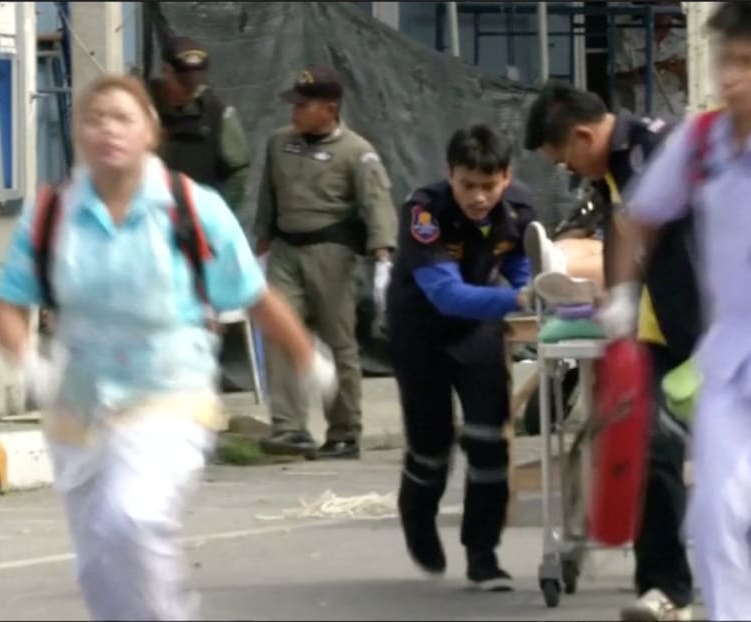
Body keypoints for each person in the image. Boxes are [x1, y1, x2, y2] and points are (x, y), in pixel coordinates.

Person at [0, 74, 336, 621]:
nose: (108, 129)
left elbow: (254, 295)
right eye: (95, 117)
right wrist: (29, 363)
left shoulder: (190, 208)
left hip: (168, 396)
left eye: (122, 117)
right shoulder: (54, 213)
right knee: (99, 561)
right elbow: (8, 306)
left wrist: (304, 357)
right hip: (77, 410)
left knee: (132, 517)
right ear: (77, 132)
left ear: (150, 131)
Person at [524, 80, 697, 621]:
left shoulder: (656, 148)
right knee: (652, 447)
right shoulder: (616, 169)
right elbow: (622, 227)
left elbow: (647, 221)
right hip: (666, 327)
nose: (570, 172)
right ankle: (666, 589)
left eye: (564, 160)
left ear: (581, 135)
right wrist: (621, 294)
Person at [603, 3, 751, 619]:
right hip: (728, 359)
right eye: (727, 62)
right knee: (714, 511)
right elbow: (638, 220)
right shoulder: (699, 141)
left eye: (748, 63)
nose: (734, 77)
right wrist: (621, 297)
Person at [386, 124, 534, 591]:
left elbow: (518, 263)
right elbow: (445, 294)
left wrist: (534, 286)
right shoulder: (424, 211)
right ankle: (417, 515)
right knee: (431, 446)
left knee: (490, 442)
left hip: (479, 333)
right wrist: (520, 301)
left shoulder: (520, 208)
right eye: (468, 184)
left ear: (506, 177)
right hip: (420, 332)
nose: (478, 197)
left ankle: (483, 554)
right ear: (450, 174)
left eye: (488, 186)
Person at [253, 65, 398, 460]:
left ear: (329, 108)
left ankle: (344, 431)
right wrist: (260, 247)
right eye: (294, 104)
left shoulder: (356, 152)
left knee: (339, 343)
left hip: (332, 254)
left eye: (304, 105)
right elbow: (268, 198)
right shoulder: (279, 144)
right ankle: (288, 427)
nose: (294, 112)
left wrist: (383, 256)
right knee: (282, 333)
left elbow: (376, 203)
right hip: (286, 250)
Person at [148, 36, 250, 214]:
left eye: (196, 83)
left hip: (196, 221)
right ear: (166, 72)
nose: (191, 89)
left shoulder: (217, 113)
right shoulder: (140, 107)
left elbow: (238, 171)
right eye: (184, 83)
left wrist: (218, 213)